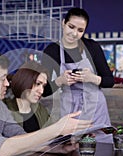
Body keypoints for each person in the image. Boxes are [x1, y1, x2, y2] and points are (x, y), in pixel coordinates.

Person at [42, 7, 114, 143]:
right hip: (69, 108)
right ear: (63, 23)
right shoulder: (52, 51)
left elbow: (110, 81)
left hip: (95, 107)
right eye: (71, 27)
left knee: (102, 148)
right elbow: (43, 91)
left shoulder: (92, 47)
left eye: (80, 30)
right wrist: (60, 81)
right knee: (70, 148)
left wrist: (92, 78)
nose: (74, 33)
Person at [3, 61, 53, 132]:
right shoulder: (4, 110)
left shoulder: (40, 110)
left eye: (43, 86)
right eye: (38, 84)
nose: (41, 91)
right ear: (25, 81)